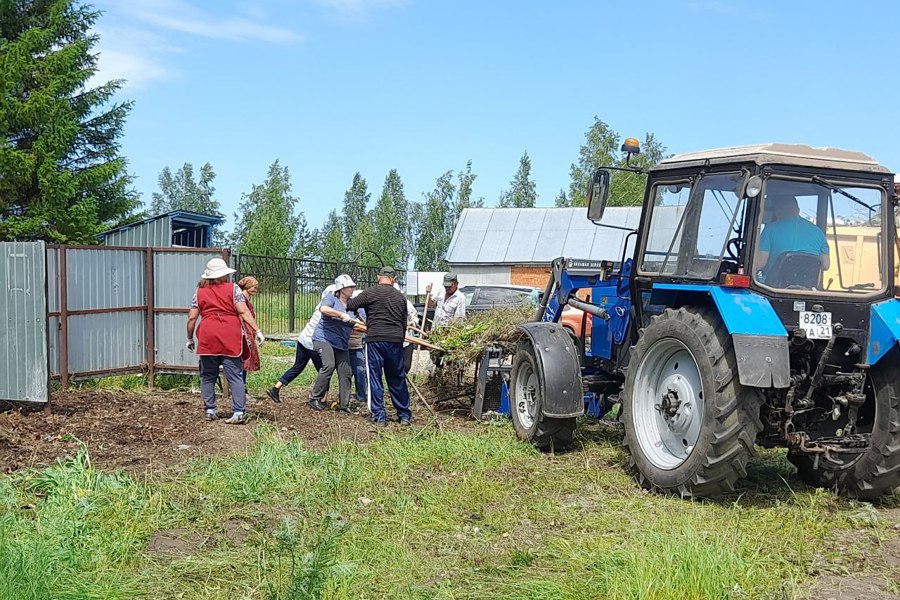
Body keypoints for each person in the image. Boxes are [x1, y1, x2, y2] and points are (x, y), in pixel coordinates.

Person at [186, 258, 263, 424]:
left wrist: (189, 338)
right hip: (230, 335)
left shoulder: (199, 291)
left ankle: (210, 410)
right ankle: (238, 413)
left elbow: (192, 318)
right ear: (223, 275)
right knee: (235, 375)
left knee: (207, 376)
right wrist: (257, 330)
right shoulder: (233, 289)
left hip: (207, 336)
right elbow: (242, 311)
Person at [347, 266, 412, 426]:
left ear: (378, 277)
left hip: (375, 339)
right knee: (397, 377)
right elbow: (403, 322)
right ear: (393, 279)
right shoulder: (400, 297)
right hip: (396, 340)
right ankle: (404, 415)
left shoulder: (370, 292)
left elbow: (351, 304)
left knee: (375, 377)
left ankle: (379, 416)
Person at [265, 285, 334, 403]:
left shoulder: (320, 306)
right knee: (325, 371)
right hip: (314, 343)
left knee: (297, 367)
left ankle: (276, 388)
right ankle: (322, 399)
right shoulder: (329, 310)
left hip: (303, 339)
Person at [309, 275, 360, 414]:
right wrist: (341, 315)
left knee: (346, 372)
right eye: (350, 287)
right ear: (341, 288)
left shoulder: (353, 304)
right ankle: (314, 398)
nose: (352, 289)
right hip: (324, 339)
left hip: (341, 343)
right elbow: (324, 309)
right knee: (329, 365)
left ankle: (344, 404)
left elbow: (363, 321)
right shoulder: (332, 298)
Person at [754, 192, 830, 283]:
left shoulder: (770, 229)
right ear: (798, 209)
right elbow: (825, 265)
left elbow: (759, 264)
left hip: (774, 288)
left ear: (777, 211)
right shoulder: (819, 233)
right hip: (806, 288)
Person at [237, 276, 261, 386]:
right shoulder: (242, 299)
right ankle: (242, 389)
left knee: (246, 361)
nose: (255, 290)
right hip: (244, 331)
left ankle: (243, 387)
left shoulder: (246, 299)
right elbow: (242, 315)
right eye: (253, 287)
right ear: (247, 287)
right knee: (244, 361)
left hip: (249, 331)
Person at [348, 289, 368, 409]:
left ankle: (361, 396)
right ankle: (345, 397)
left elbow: (367, 324)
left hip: (357, 346)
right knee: (346, 373)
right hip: (343, 346)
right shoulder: (346, 310)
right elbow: (351, 325)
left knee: (360, 371)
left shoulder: (363, 313)